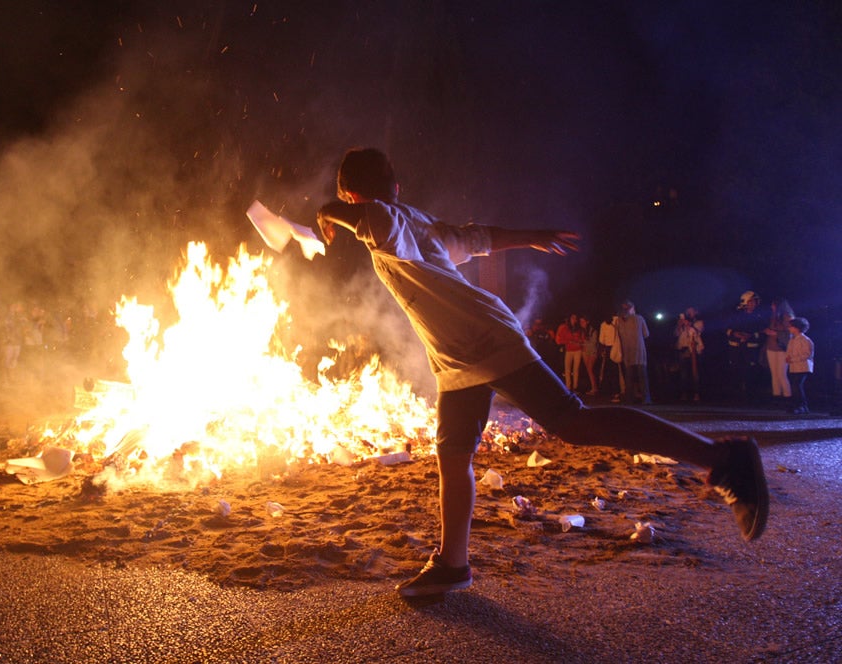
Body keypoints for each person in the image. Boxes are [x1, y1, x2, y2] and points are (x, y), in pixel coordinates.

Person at [316, 148, 768, 597]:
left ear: (355, 196)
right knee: (452, 453)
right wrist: (531, 234)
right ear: (395, 185)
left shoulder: (383, 219)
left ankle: (724, 460)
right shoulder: (414, 221)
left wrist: (327, 211)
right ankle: (453, 564)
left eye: (349, 203)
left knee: (572, 421)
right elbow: (475, 238)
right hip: (457, 357)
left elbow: (375, 219)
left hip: (483, 340)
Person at [726, 291, 765, 403]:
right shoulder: (736, 315)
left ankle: (750, 396)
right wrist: (734, 333)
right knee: (735, 370)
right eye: (752, 301)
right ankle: (735, 395)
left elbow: (763, 331)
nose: (754, 304)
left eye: (755, 301)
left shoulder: (759, 316)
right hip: (736, 347)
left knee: (751, 371)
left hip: (751, 348)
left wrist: (751, 335)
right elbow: (726, 329)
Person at [615, 300, 651, 405]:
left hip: (627, 351)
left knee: (629, 377)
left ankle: (629, 398)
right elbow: (646, 334)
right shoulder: (639, 318)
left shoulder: (619, 321)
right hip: (639, 351)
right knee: (642, 376)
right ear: (631, 308)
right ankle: (645, 399)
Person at [763, 299, 794, 405]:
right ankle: (776, 395)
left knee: (781, 373)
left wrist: (775, 333)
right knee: (774, 373)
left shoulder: (787, 317)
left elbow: (790, 334)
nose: (772, 307)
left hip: (782, 349)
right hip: (771, 347)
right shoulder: (773, 317)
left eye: (774, 305)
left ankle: (787, 396)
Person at [675, 307, 705, 402]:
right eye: (687, 312)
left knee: (695, 374)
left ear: (696, 312)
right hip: (683, 350)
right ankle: (684, 394)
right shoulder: (682, 324)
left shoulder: (699, 322)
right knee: (684, 374)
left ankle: (697, 394)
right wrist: (679, 325)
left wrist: (688, 325)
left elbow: (697, 331)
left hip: (694, 351)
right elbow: (676, 334)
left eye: (691, 311)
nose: (689, 313)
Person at [785, 317, 814, 414]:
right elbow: (789, 351)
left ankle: (802, 406)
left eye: (791, 326)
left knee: (797, 385)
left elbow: (807, 354)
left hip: (802, 367)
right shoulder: (792, 339)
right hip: (794, 366)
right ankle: (798, 405)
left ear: (797, 328)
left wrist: (793, 359)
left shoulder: (805, 340)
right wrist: (788, 358)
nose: (789, 328)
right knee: (795, 386)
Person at [554, 314, 583, 392]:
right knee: (567, 369)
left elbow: (582, 339)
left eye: (575, 318)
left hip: (578, 350)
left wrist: (578, 342)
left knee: (576, 369)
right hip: (569, 350)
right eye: (572, 318)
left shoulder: (579, 328)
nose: (574, 320)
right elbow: (559, 340)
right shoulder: (565, 328)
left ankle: (575, 387)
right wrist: (568, 341)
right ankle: (568, 387)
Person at [578, 315, 599, 396]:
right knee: (589, 370)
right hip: (585, 351)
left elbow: (593, 343)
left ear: (587, 322)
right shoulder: (583, 331)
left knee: (590, 369)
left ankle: (595, 388)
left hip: (592, 352)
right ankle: (593, 387)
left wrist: (583, 342)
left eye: (583, 321)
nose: (581, 323)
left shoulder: (593, 331)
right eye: (580, 322)